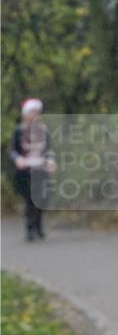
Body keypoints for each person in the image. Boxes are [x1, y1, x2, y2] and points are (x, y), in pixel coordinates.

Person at [9, 98, 56, 241]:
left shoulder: (43, 131)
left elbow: (50, 150)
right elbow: (12, 150)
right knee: (30, 200)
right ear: (26, 114)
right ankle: (30, 229)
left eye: (38, 112)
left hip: (40, 169)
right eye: (33, 112)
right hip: (26, 171)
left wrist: (51, 161)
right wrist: (18, 160)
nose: (35, 115)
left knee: (42, 199)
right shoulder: (19, 131)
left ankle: (38, 225)